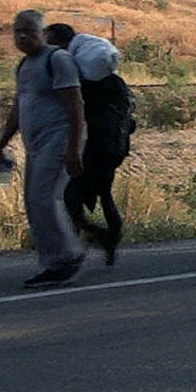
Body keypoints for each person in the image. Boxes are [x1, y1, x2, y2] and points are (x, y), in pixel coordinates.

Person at [0, 10, 88, 288]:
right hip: (36, 143)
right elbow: (18, 108)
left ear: (43, 33)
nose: (22, 36)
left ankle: (68, 257)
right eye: (17, 31)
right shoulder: (24, 65)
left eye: (30, 31)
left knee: (45, 198)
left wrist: (73, 150)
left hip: (59, 138)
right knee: (33, 202)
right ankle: (54, 261)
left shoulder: (58, 60)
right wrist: (2, 144)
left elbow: (76, 106)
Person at [42, 22, 132, 266]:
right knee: (105, 194)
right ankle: (110, 238)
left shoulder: (82, 81)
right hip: (113, 147)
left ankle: (83, 244)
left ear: (61, 45)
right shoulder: (115, 81)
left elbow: (76, 115)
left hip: (91, 149)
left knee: (70, 198)